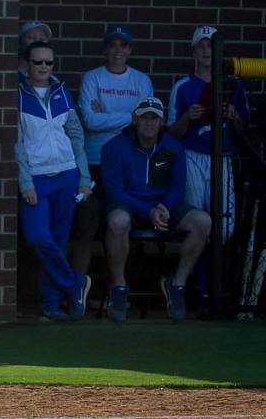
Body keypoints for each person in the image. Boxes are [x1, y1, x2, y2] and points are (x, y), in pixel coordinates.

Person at [101, 97, 211, 322]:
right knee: (117, 221)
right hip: (129, 205)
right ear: (135, 120)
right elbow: (115, 191)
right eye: (144, 118)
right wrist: (147, 211)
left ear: (162, 122)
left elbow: (178, 186)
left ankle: (177, 285)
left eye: (154, 118)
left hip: (162, 207)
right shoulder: (114, 147)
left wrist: (164, 207)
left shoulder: (174, 147)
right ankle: (119, 287)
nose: (149, 123)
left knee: (202, 221)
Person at [167, 25, 250, 310]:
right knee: (196, 222)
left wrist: (234, 115)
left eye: (211, 46)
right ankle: (200, 287)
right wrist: (188, 118)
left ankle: (199, 281)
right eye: (201, 45)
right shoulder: (182, 86)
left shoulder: (233, 85)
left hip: (222, 157)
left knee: (224, 227)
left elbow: (245, 130)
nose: (206, 50)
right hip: (191, 156)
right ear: (194, 50)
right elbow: (170, 134)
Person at [16, 41, 93, 321]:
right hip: (36, 177)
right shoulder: (18, 95)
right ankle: (75, 284)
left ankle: (51, 305)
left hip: (67, 175)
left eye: (49, 62)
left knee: (58, 242)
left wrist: (84, 178)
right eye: (38, 62)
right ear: (27, 65)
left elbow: (76, 135)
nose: (44, 67)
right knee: (38, 238)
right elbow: (17, 143)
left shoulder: (62, 92)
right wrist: (25, 183)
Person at [72, 26, 153, 273]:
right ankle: (79, 289)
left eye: (123, 45)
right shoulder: (92, 77)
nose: (118, 50)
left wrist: (105, 115)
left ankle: (119, 289)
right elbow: (89, 121)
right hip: (94, 161)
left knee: (121, 220)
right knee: (86, 223)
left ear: (130, 50)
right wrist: (130, 116)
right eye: (113, 45)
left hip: (129, 161)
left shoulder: (141, 80)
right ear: (105, 50)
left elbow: (147, 123)